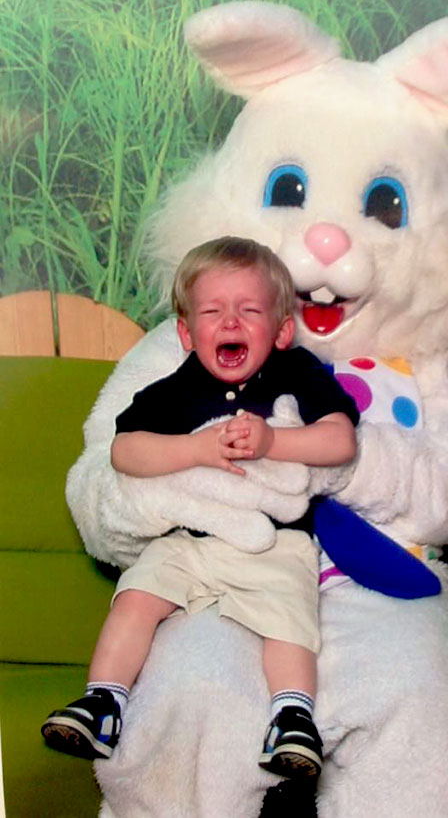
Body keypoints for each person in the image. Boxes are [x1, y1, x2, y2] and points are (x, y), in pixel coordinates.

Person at [41, 236, 359, 780]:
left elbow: (340, 441)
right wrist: (195, 449)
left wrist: (272, 443)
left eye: (250, 310)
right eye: (213, 311)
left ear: (282, 330)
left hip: (273, 541)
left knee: (289, 615)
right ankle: (104, 702)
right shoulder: (179, 387)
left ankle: (292, 716)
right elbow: (124, 450)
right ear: (187, 334)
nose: (230, 322)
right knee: (137, 595)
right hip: (190, 540)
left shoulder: (295, 371)